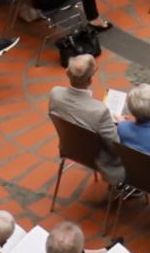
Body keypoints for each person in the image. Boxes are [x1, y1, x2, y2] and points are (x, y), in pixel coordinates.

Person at [47, 52, 122, 183]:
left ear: (66, 72)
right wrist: (121, 124)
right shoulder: (100, 110)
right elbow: (116, 147)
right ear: (90, 79)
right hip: (98, 158)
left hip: (70, 148)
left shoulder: (55, 94)